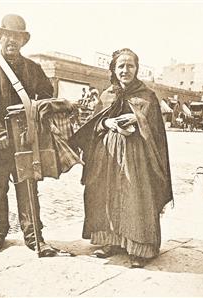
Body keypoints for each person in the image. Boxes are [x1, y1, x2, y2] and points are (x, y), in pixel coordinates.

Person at [71, 48, 173, 268]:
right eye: (121, 66)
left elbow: (156, 130)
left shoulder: (147, 96)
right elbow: (93, 124)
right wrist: (107, 123)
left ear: (137, 69)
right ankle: (112, 242)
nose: (125, 70)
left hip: (137, 157)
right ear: (114, 69)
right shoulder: (107, 94)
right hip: (107, 155)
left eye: (130, 66)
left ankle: (140, 248)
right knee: (107, 195)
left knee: (135, 198)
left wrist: (137, 118)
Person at [0, 14, 57, 256]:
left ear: (23, 41)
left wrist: (37, 113)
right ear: (0, 37)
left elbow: (46, 97)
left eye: (17, 37)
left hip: (24, 142)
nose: (12, 40)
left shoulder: (34, 70)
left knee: (28, 188)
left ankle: (33, 236)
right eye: (7, 35)